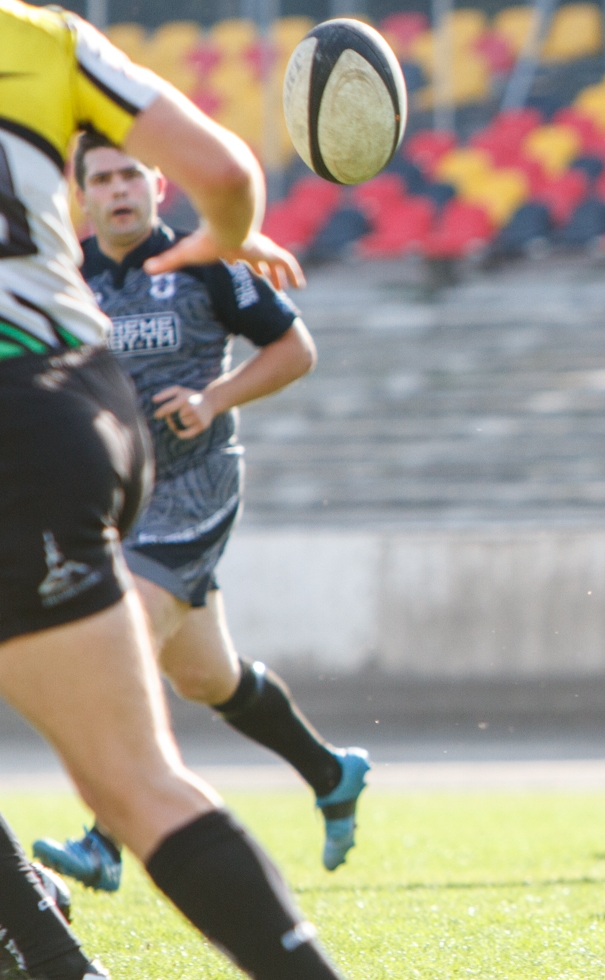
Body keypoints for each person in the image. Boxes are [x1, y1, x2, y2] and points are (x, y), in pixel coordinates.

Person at [0, 0, 345, 979]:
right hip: (81, 407)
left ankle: (45, 946)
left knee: (132, 778)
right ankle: (43, 942)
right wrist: (226, 230)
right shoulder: (41, 35)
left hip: (21, 426)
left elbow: (291, 345)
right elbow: (228, 174)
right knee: (145, 768)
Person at [31, 134, 370, 895]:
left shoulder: (207, 259)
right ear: (82, 196)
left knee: (123, 635)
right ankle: (331, 772)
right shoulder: (65, 275)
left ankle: (106, 839)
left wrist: (212, 399)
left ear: (158, 185)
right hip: (118, 497)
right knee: (207, 677)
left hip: (195, 485)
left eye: (131, 176)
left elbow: (295, 349)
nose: (118, 190)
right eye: (102, 180)